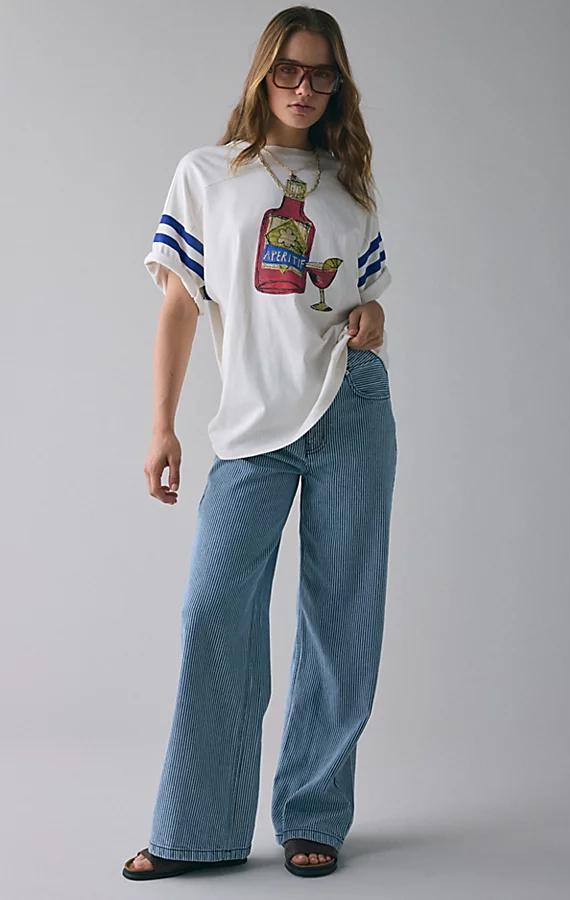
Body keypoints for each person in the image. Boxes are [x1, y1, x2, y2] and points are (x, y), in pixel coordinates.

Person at [122, 4, 397, 881]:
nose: (303, 87)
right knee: (214, 611)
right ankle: (195, 830)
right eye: (288, 70)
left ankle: (313, 814)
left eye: (321, 74)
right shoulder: (209, 173)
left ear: (338, 84)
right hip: (252, 427)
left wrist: (370, 314)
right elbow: (179, 305)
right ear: (263, 73)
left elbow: (364, 300)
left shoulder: (350, 185)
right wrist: (162, 424)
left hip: (350, 409)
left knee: (342, 617)